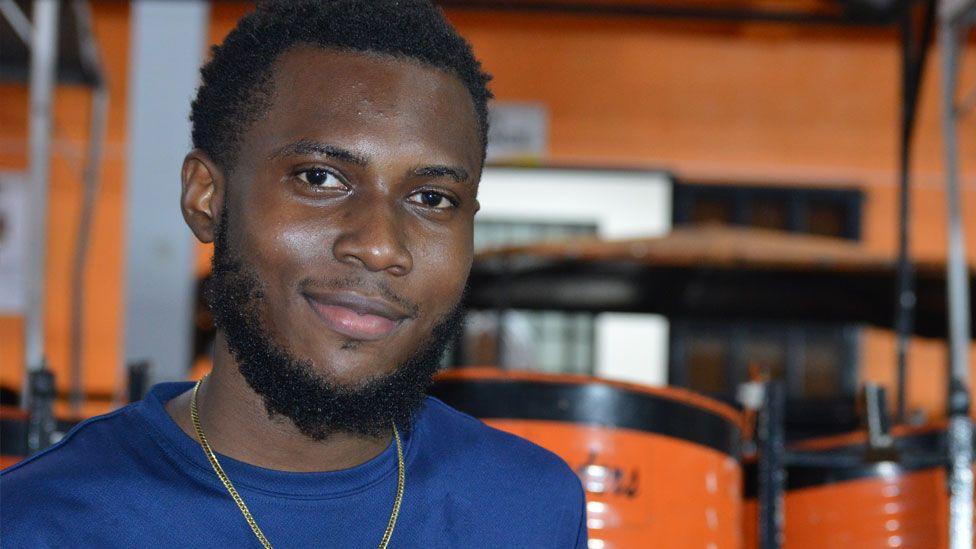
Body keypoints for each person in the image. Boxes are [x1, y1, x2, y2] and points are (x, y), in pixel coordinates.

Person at [0, 1, 587, 547]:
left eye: (432, 198)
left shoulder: (528, 508)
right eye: (320, 179)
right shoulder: (42, 522)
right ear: (207, 199)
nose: (381, 247)